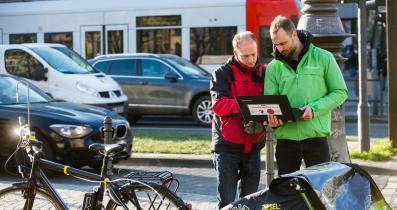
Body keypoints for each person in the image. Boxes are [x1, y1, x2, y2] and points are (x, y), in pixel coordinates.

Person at [264, 16, 348, 175]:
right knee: (287, 193)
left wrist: (314, 109)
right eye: (276, 44)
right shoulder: (273, 67)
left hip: (316, 138)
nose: (279, 49)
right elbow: (271, 102)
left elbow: (340, 92)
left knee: (319, 191)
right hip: (286, 141)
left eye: (283, 43)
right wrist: (272, 120)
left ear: (294, 35)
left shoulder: (324, 57)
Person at [210, 31, 266, 209]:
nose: (251, 59)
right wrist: (248, 106)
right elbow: (219, 105)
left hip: (254, 146)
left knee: (251, 202)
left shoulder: (264, 72)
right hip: (226, 148)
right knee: (227, 203)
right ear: (235, 53)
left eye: (254, 54)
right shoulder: (221, 74)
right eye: (245, 56)